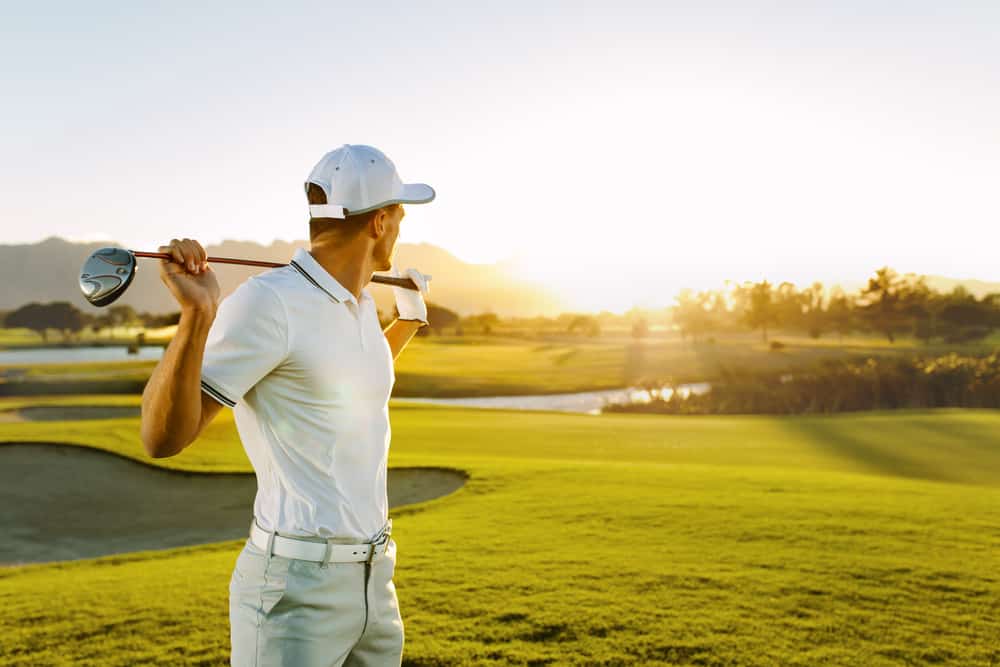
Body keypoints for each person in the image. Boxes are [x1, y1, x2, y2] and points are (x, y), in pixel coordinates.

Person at [140, 144, 435, 666]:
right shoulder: (268, 302)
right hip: (296, 591)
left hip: (375, 582)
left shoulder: (360, 303)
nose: (400, 228)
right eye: (400, 217)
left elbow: (342, 382)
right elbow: (163, 438)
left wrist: (407, 321)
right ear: (381, 222)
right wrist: (197, 316)